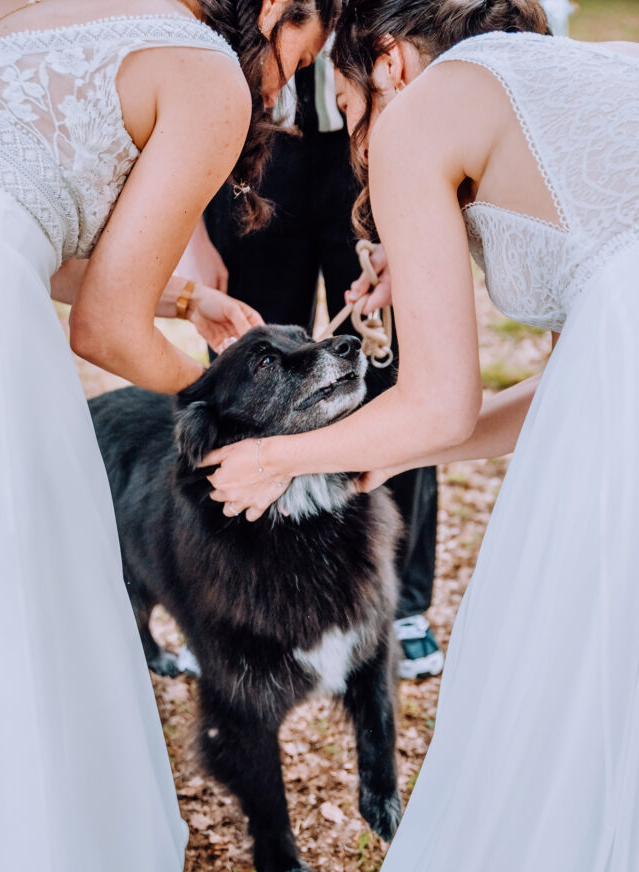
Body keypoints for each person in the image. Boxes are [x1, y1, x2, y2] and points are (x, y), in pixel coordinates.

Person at [201, 1, 639, 872]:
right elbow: (588, 383)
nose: (362, 142)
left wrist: (277, 455)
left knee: (577, 674)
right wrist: (361, 460)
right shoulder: (595, 78)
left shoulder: (420, 114)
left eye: (352, 103)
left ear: (391, 60)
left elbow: (438, 398)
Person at [0, 0, 338, 872]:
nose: (304, 69)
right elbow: (101, 329)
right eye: (313, 41)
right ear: (273, 12)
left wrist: (184, 301)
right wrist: (220, 395)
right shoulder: (209, 72)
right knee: (6, 614)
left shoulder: (23, 12)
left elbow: (19, 218)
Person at [203, 49, 443, 679]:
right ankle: (253, 590)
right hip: (253, 142)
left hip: (363, 138)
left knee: (392, 374)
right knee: (252, 369)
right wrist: (192, 236)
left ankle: (399, 600)